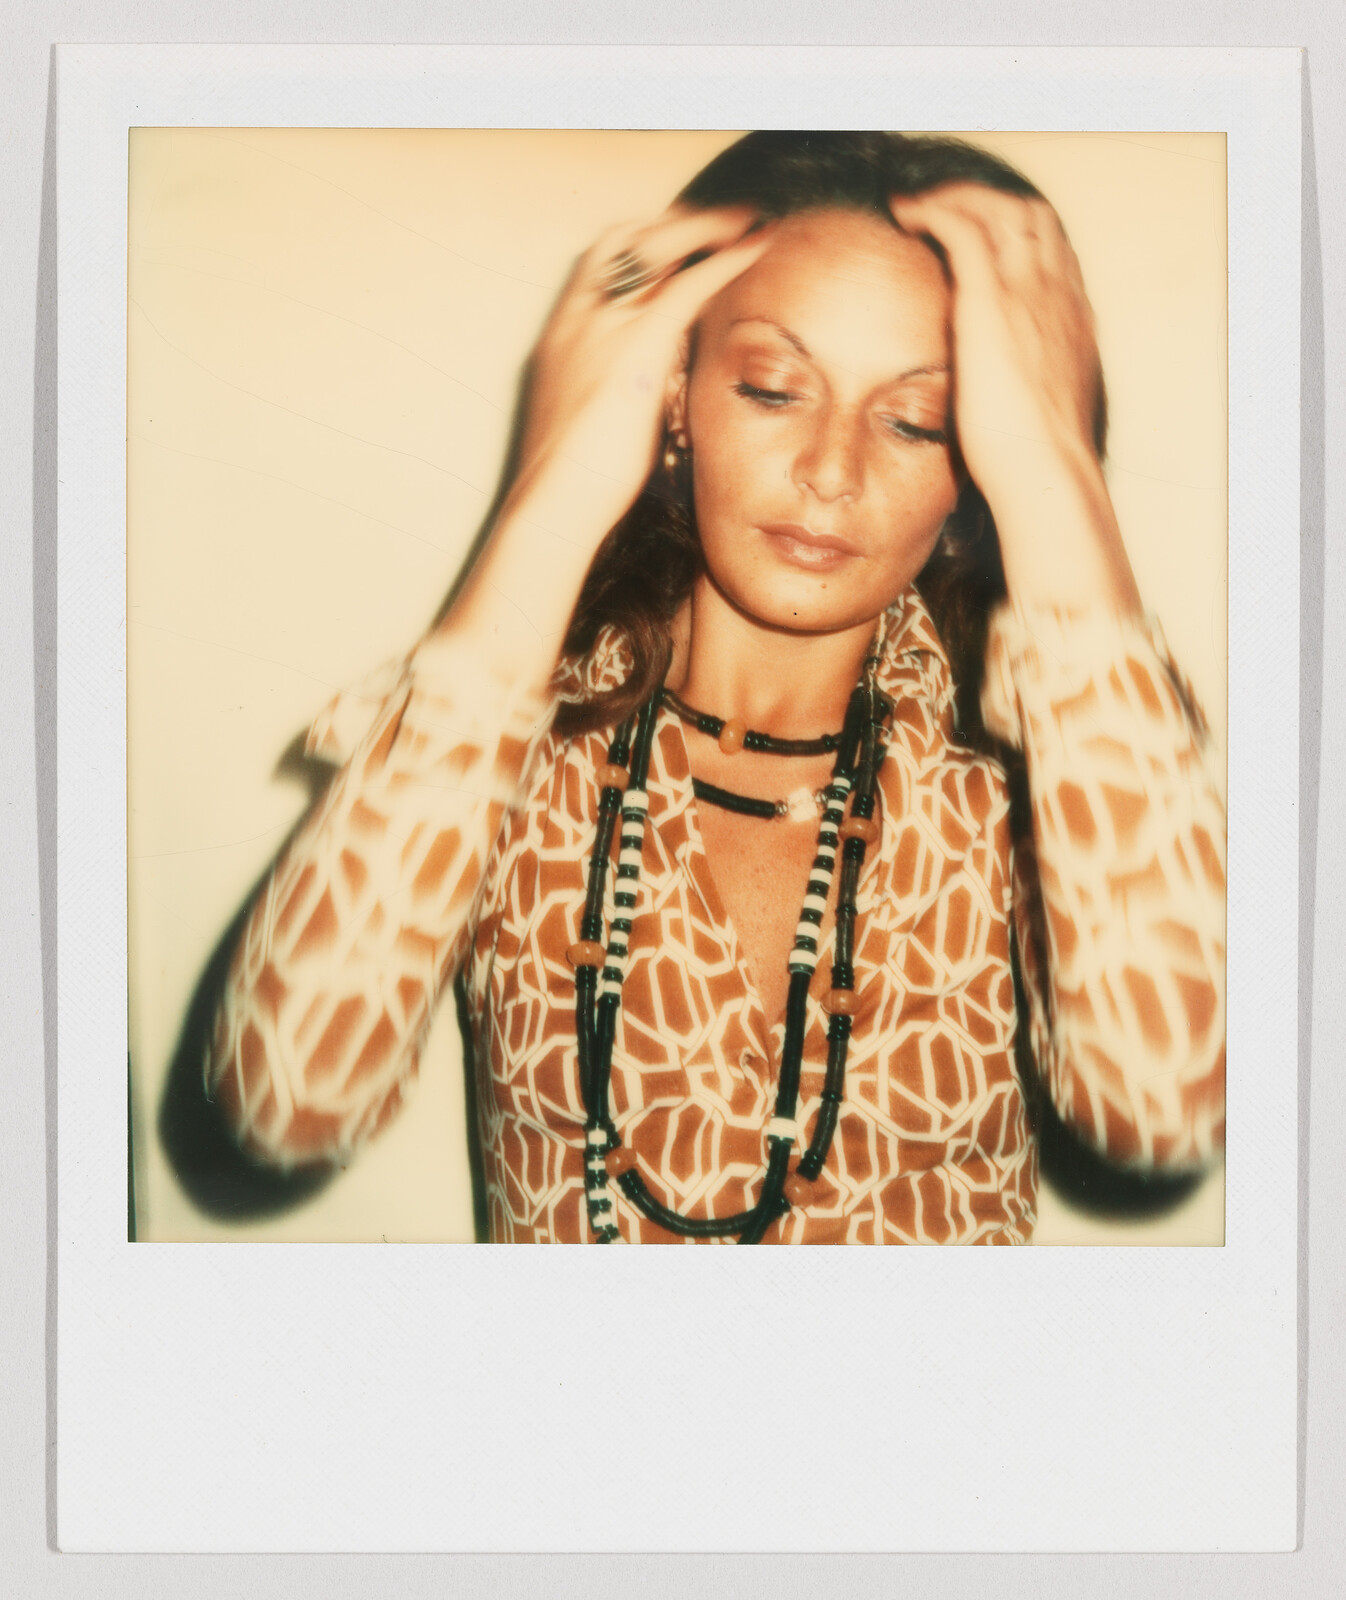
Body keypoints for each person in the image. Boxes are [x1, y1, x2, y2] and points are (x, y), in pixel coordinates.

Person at [203, 131, 1226, 1244]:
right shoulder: (503, 750)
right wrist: (557, 490)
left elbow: (1169, 1110)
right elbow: (281, 1104)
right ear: (680, 398)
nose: (830, 472)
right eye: (772, 387)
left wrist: (1053, 467)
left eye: (913, 418)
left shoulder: (1045, 779)